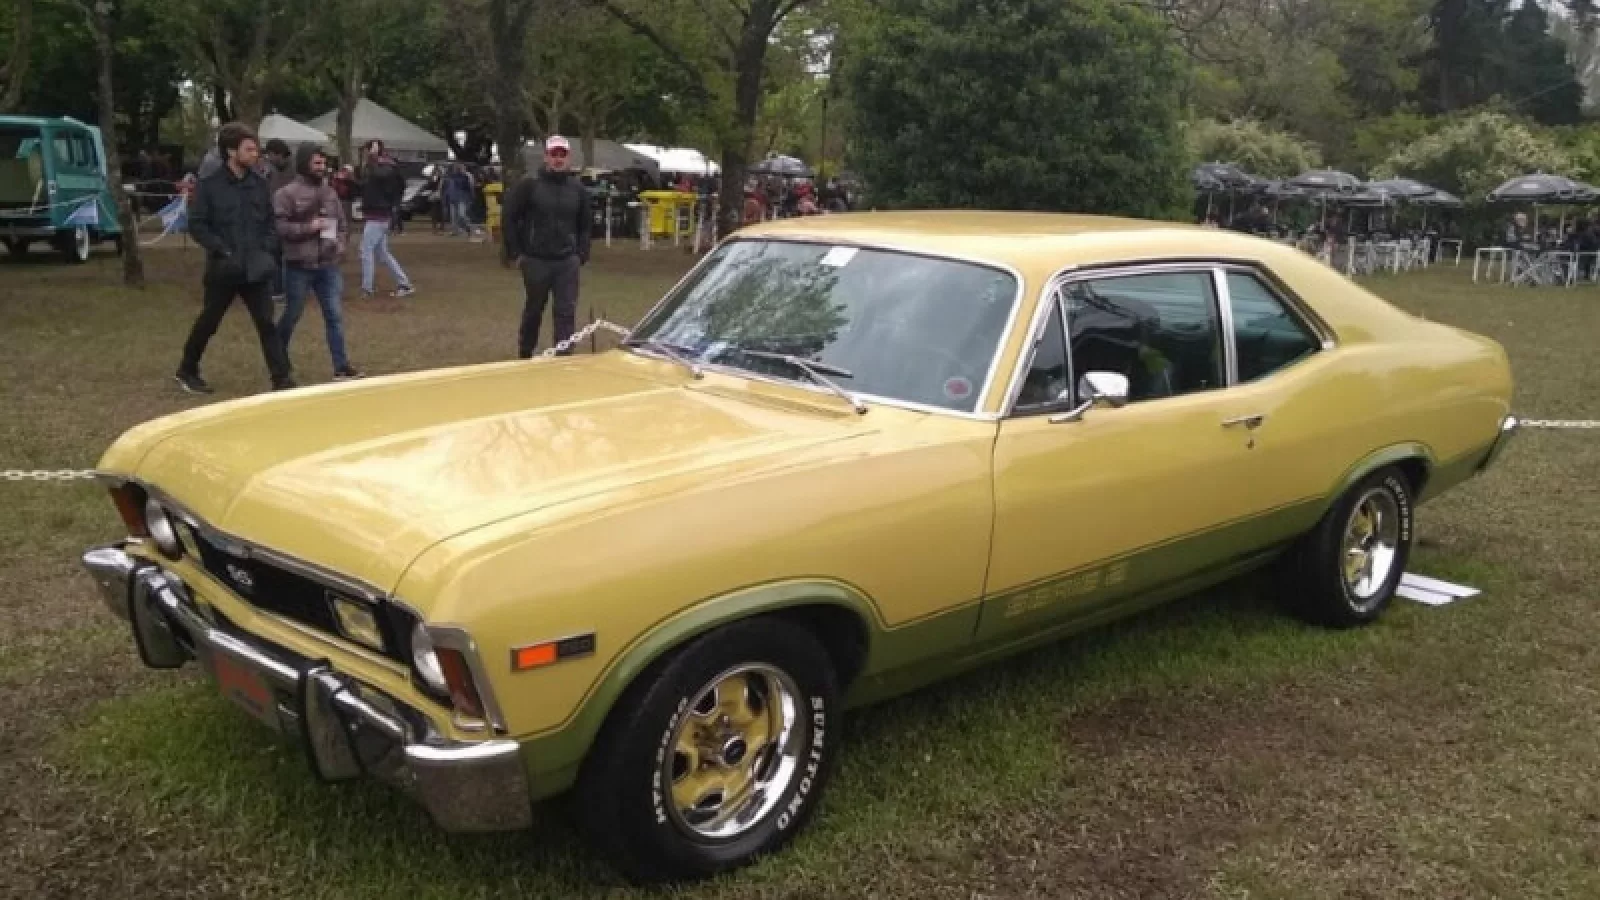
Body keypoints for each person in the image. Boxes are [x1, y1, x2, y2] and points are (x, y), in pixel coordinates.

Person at [174, 122, 295, 394]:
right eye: (249, 149)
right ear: (231, 151)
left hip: (256, 267)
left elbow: (269, 222)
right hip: (224, 268)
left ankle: (282, 378)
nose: (255, 154)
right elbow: (197, 224)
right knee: (209, 321)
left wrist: (267, 250)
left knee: (266, 323)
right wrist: (220, 249)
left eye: (256, 149)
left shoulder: (259, 184)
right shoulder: (209, 185)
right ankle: (187, 369)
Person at [274, 145, 362, 381]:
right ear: (304, 164)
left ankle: (341, 367)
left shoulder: (330, 192)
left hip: (328, 265)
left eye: (324, 163)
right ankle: (277, 359)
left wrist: (340, 245)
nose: (322, 168)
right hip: (299, 266)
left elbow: (342, 224)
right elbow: (280, 228)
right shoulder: (286, 194)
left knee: (334, 315)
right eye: (317, 163)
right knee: (292, 314)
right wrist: (308, 227)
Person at [502, 134, 592, 358]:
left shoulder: (578, 189)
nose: (558, 159)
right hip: (536, 260)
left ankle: (563, 356)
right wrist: (516, 253)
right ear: (546, 157)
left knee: (566, 311)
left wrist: (581, 254)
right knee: (534, 309)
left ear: (569, 158)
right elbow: (509, 217)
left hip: (567, 261)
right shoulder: (529, 185)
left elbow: (585, 224)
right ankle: (526, 352)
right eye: (554, 154)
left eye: (562, 155)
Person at [356, 139, 415, 298]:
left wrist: (373, 158)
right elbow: (366, 186)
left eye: (367, 150)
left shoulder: (387, 166)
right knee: (382, 253)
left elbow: (380, 177)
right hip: (377, 214)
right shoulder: (375, 167)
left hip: (379, 214)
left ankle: (367, 288)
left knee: (366, 250)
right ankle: (404, 283)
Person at [443, 162, 474, 236]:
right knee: (454, 217)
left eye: (459, 168)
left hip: (462, 198)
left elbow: (468, 188)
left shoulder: (465, 177)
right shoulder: (450, 177)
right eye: (456, 168)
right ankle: (455, 231)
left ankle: (467, 226)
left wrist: (471, 197)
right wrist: (446, 198)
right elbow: (448, 189)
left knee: (461, 214)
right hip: (453, 198)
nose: (457, 169)